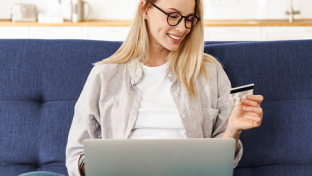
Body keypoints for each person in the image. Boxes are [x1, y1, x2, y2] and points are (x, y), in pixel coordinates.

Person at [19, 0, 264, 176]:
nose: (182, 28)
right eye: (173, 15)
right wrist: (105, 166)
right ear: (145, 8)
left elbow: (223, 162)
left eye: (189, 18)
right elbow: (75, 157)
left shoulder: (209, 72)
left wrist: (233, 128)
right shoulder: (104, 75)